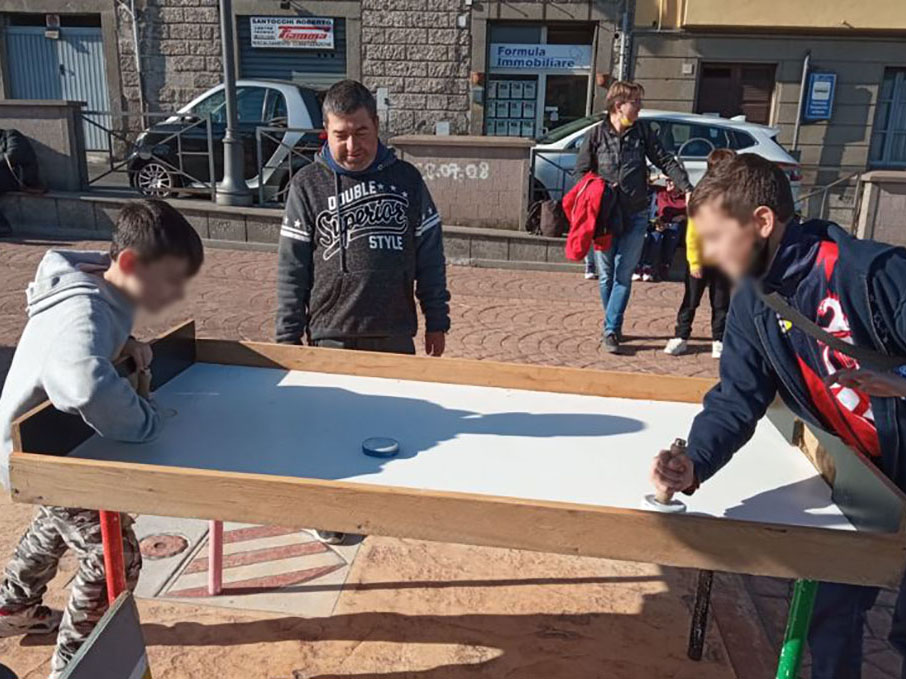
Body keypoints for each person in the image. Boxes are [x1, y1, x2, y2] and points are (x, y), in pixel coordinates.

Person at [649, 153, 906, 679]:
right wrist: (694, 462)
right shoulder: (753, 301)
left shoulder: (874, 274)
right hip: (863, 480)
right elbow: (737, 397)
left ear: (762, 222)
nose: (710, 254)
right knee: (832, 612)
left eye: (718, 237)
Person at [0, 199, 203, 678]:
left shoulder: (98, 288)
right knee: (112, 556)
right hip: (40, 458)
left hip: (43, 448)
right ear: (129, 263)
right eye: (169, 281)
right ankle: (75, 666)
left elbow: (81, 351)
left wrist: (124, 347)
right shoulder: (84, 310)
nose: (175, 293)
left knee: (59, 523)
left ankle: (13, 604)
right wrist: (145, 421)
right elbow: (82, 383)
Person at [275, 79, 451, 544]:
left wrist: (437, 317)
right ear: (326, 133)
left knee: (393, 429)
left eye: (361, 132)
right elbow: (292, 270)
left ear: (376, 126)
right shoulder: (307, 185)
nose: (352, 145)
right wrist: (287, 340)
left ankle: (379, 510)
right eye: (341, 135)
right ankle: (329, 513)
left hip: (393, 331)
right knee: (329, 433)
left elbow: (430, 254)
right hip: (331, 332)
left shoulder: (407, 180)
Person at [574, 80, 693, 354]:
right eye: (635, 102)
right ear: (619, 105)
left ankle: (611, 329)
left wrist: (686, 187)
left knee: (624, 275)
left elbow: (665, 159)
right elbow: (580, 173)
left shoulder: (642, 133)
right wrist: (598, 189)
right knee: (606, 275)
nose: (640, 107)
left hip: (636, 213)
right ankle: (612, 324)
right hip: (605, 216)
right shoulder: (595, 135)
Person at [664, 149, 735, 359]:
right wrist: (694, 262)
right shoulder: (702, 195)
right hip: (701, 257)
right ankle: (681, 336)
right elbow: (693, 232)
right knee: (691, 300)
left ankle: (718, 339)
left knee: (721, 302)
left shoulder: (735, 196)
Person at [634, 178, 687, 283]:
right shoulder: (660, 191)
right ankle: (639, 267)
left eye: (671, 181)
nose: (668, 183)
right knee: (651, 236)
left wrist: (684, 216)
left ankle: (661, 267)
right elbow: (645, 181)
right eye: (667, 181)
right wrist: (659, 176)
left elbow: (694, 210)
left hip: (671, 225)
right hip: (655, 223)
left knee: (671, 233)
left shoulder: (685, 197)